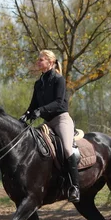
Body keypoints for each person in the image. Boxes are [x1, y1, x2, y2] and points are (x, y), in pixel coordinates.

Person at [19, 50, 80, 203]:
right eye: (38, 60)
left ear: (51, 62)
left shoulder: (59, 79)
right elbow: (33, 105)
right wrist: (25, 115)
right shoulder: (39, 83)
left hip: (61, 120)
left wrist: (41, 110)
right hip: (47, 123)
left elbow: (59, 103)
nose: (38, 62)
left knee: (66, 149)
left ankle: (75, 187)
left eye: (41, 60)